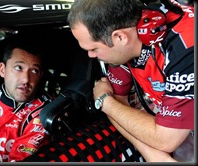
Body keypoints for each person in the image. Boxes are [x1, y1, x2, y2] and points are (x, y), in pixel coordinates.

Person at [67, 0, 194, 162]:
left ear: (120, 37)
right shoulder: (127, 29)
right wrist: (152, 153)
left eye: (93, 49)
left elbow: (166, 139)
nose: (90, 56)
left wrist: (104, 101)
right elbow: (119, 105)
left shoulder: (186, 48)